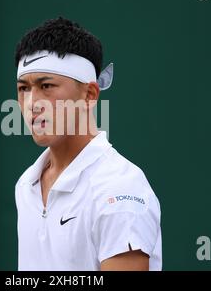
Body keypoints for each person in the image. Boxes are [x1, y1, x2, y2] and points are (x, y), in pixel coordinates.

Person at [14, 17, 162, 271]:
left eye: (46, 85)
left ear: (90, 95)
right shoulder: (26, 184)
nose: (31, 103)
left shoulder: (120, 190)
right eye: (23, 88)